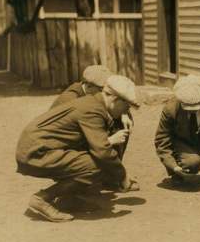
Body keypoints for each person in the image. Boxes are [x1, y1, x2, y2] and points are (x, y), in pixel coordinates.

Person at [16, 75, 140, 222]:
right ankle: (42, 198)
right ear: (115, 100)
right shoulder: (93, 111)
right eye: (126, 106)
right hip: (36, 152)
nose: (125, 111)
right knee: (97, 165)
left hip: (40, 147)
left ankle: (69, 199)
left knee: (91, 159)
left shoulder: (93, 103)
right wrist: (122, 176)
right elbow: (102, 152)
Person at [51, 65, 134, 160]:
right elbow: (70, 135)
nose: (106, 92)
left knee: (120, 122)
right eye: (102, 89)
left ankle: (113, 163)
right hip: (63, 146)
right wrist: (108, 141)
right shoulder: (70, 99)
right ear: (88, 86)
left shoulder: (91, 94)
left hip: (85, 132)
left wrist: (124, 114)